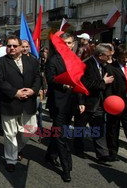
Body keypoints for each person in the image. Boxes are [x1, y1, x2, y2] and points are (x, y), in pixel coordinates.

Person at [0, 35, 41, 172]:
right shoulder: (0, 62)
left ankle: (17, 148)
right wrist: (15, 92)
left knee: (30, 130)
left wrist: (33, 90)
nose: (12, 48)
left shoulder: (32, 61)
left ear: (21, 47)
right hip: (10, 102)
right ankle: (11, 159)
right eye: (9, 46)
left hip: (28, 102)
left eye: (15, 45)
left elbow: (38, 77)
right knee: (10, 133)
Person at [44, 33, 80, 182]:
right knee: (61, 134)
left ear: (73, 44)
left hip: (71, 102)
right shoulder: (53, 60)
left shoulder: (76, 60)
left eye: (70, 43)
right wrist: (62, 84)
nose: (67, 45)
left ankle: (50, 155)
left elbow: (79, 81)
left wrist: (82, 101)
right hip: (58, 103)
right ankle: (66, 167)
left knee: (58, 130)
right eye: (64, 43)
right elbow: (51, 80)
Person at [74, 43, 115, 164]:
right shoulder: (86, 65)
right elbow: (84, 85)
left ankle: (102, 154)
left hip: (100, 103)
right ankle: (78, 148)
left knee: (99, 128)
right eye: (108, 56)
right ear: (101, 55)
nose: (110, 58)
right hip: (86, 102)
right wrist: (103, 81)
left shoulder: (105, 66)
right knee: (80, 127)